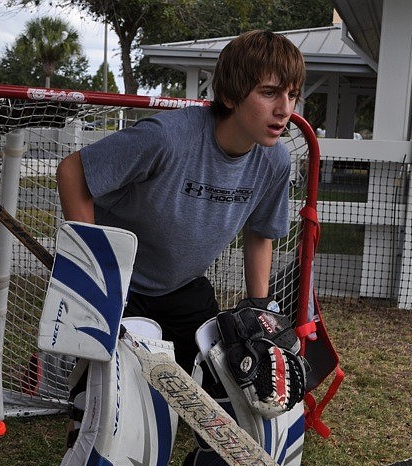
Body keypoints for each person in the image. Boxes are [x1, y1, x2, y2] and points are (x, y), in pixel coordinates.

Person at [55, 29, 306, 373]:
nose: (284, 109)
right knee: (109, 388)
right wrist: (96, 273)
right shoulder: (167, 137)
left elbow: (260, 232)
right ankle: (51, 367)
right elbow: (72, 172)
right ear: (232, 96)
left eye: (292, 95)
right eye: (269, 93)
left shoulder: (274, 161)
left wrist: (259, 307)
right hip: (122, 282)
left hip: (183, 286)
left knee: (218, 382)